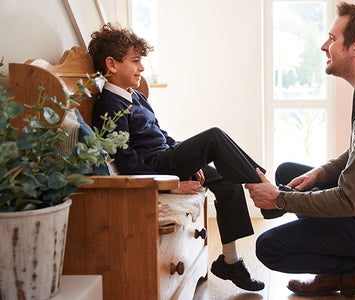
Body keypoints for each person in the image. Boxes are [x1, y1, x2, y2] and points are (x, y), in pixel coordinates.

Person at [245, 2, 355, 300]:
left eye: (331, 38)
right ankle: (342, 276)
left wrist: (280, 200)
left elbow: (347, 201)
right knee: (290, 172)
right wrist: (323, 172)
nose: (323, 46)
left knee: (269, 249)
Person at [88, 23, 266, 291]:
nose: (142, 69)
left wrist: (190, 162)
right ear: (111, 65)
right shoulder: (108, 106)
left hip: (166, 158)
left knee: (227, 181)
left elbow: (161, 133)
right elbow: (125, 160)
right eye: (135, 62)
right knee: (213, 136)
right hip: (156, 169)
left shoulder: (134, 96)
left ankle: (230, 261)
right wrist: (170, 182)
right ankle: (265, 187)